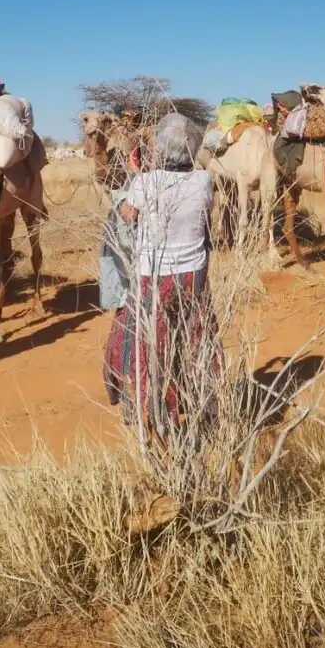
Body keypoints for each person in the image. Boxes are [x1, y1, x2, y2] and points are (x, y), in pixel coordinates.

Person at [114, 113, 221, 433]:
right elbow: (207, 210)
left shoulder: (145, 183)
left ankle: (158, 415)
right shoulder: (203, 180)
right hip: (194, 277)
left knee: (151, 348)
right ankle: (209, 405)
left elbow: (128, 216)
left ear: (161, 149)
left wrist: (134, 177)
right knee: (199, 341)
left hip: (153, 278)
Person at [101, 144, 142, 415]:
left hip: (136, 289)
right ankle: (131, 399)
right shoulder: (124, 208)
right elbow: (124, 259)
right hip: (136, 289)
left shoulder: (128, 202)